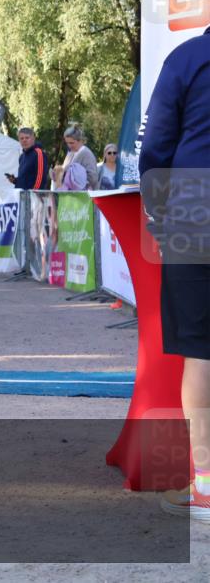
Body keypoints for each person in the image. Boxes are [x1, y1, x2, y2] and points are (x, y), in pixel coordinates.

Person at [138, 26, 210, 522]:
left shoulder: (187, 59)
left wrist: (158, 214)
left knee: (202, 352)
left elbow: (156, 147)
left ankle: (206, 484)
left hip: (194, 215)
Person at [54, 125, 98, 191]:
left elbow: (93, 178)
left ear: (80, 140)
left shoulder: (87, 154)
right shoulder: (70, 153)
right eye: (67, 143)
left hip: (81, 196)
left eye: (72, 143)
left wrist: (75, 180)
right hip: (69, 195)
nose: (69, 145)